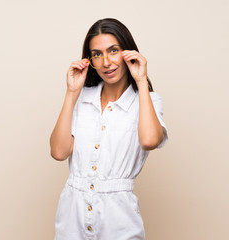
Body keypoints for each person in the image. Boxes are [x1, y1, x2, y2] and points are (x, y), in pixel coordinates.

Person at [50, 18, 169, 240]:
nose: (106, 62)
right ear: (90, 60)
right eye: (97, 54)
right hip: (71, 217)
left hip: (118, 218)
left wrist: (141, 81)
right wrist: (71, 93)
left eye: (113, 50)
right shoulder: (81, 98)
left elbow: (150, 140)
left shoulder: (147, 101)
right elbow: (58, 152)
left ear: (128, 52)